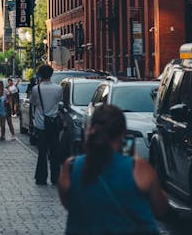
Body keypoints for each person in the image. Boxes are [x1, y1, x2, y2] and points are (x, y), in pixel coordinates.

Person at [58, 104, 167, 234]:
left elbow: (70, 204)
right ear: (122, 134)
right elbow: (160, 209)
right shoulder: (138, 168)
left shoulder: (70, 167)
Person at [31, 64, 63, 185]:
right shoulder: (58, 88)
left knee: (42, 152)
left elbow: (34, 103)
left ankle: (41, 177)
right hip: (54, 122)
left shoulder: (36, 89)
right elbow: (59, 102)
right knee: (54, 152)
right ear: (51, 74)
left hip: (41, 124)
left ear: (40, 75)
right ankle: (55, 177)